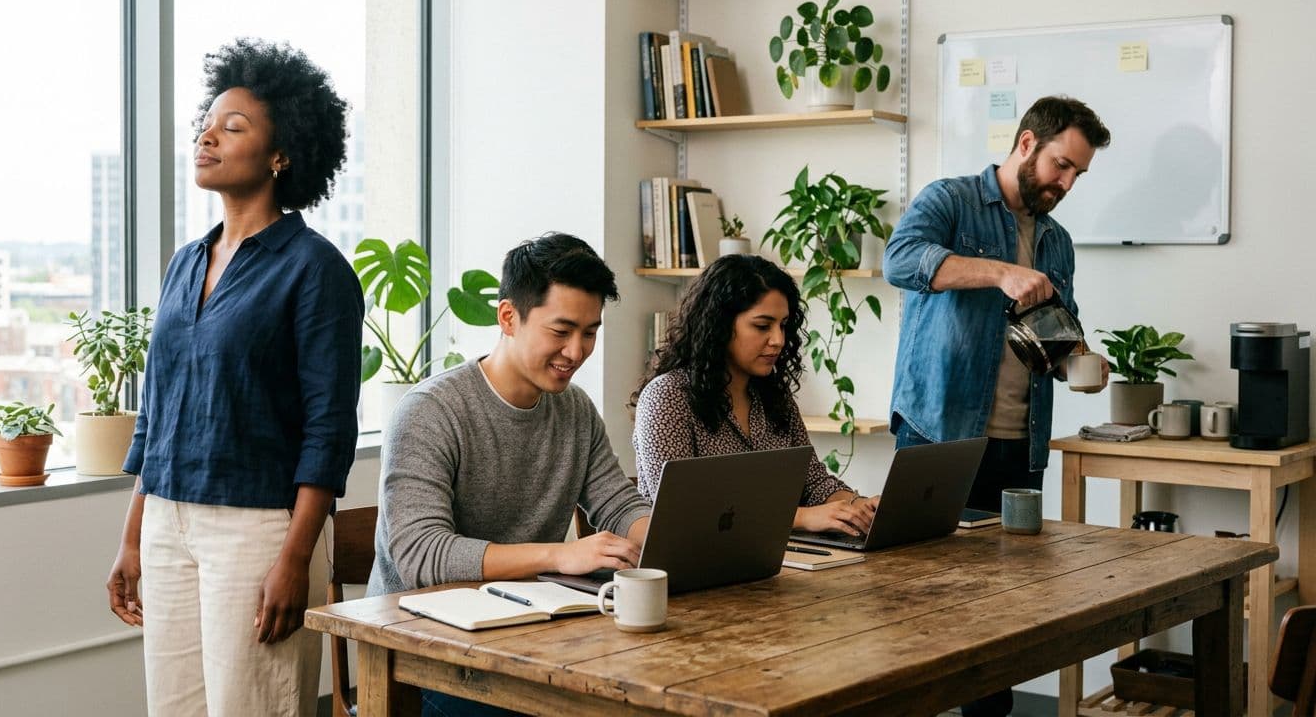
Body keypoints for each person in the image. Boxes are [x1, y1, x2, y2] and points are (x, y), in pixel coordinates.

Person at [105, 38, 363, 717]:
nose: (207, 137)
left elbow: (328, 429)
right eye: (206, 124)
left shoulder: (315, 269)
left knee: (254, 707)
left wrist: (296, 559)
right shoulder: (185, 263)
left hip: (257, 530)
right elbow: (158, 412)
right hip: (167, 520)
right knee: (175, 708)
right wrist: (134, 536)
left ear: (282, 155)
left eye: (233, 126)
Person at [883, 94, 1112, 717]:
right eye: (1063, 165)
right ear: (1027, 144)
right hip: (938, 434)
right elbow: (898, 260)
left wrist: (1079, 362)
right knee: (925, 603)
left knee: (1007, 608)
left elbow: (1058, 333)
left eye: (1078, 175)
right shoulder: (951, 200)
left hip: (1020, 443)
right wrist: (999, 272)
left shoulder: (1056, 241)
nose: (1067, 183)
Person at [367, 233, 652, 717]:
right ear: (508, 317)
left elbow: (618, 504)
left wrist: (669, 538)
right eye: (561, 331)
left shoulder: (575, 410)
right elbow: (422, 555)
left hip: (529, 634)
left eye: (590, 331)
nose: (577, 351)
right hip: (422, 650)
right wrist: (561, 555)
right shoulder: (430, 412)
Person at [632, 254, 878, 537]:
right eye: (762, 326)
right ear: (719, 325)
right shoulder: (667, 398)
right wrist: (801, 518)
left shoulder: (774, 396)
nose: (778, 340)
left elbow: (813, 482)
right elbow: (683, 509)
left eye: (783, 325)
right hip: (689, 567)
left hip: (772, 560)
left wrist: (860, 506)